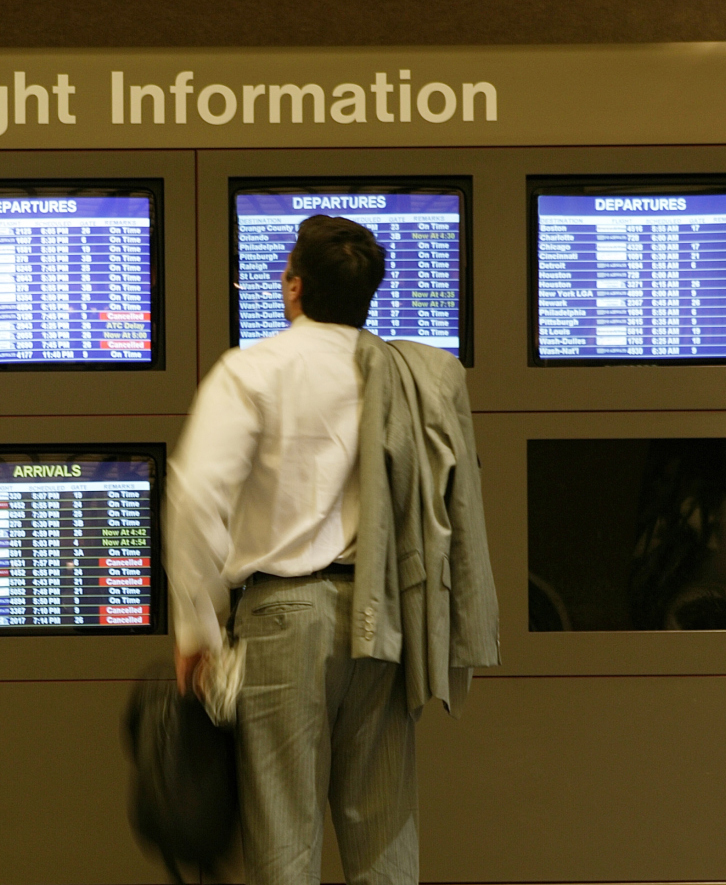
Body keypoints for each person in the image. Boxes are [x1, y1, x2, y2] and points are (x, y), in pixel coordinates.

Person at [165, 214, 497, 885]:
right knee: (383, 839)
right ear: (365, 295)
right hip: (384, 616)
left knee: (284, 842)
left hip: (283, 620)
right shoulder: (406, 374)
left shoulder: (254, 370)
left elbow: (196, 500)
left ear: (294, 286)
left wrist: (197, 630)